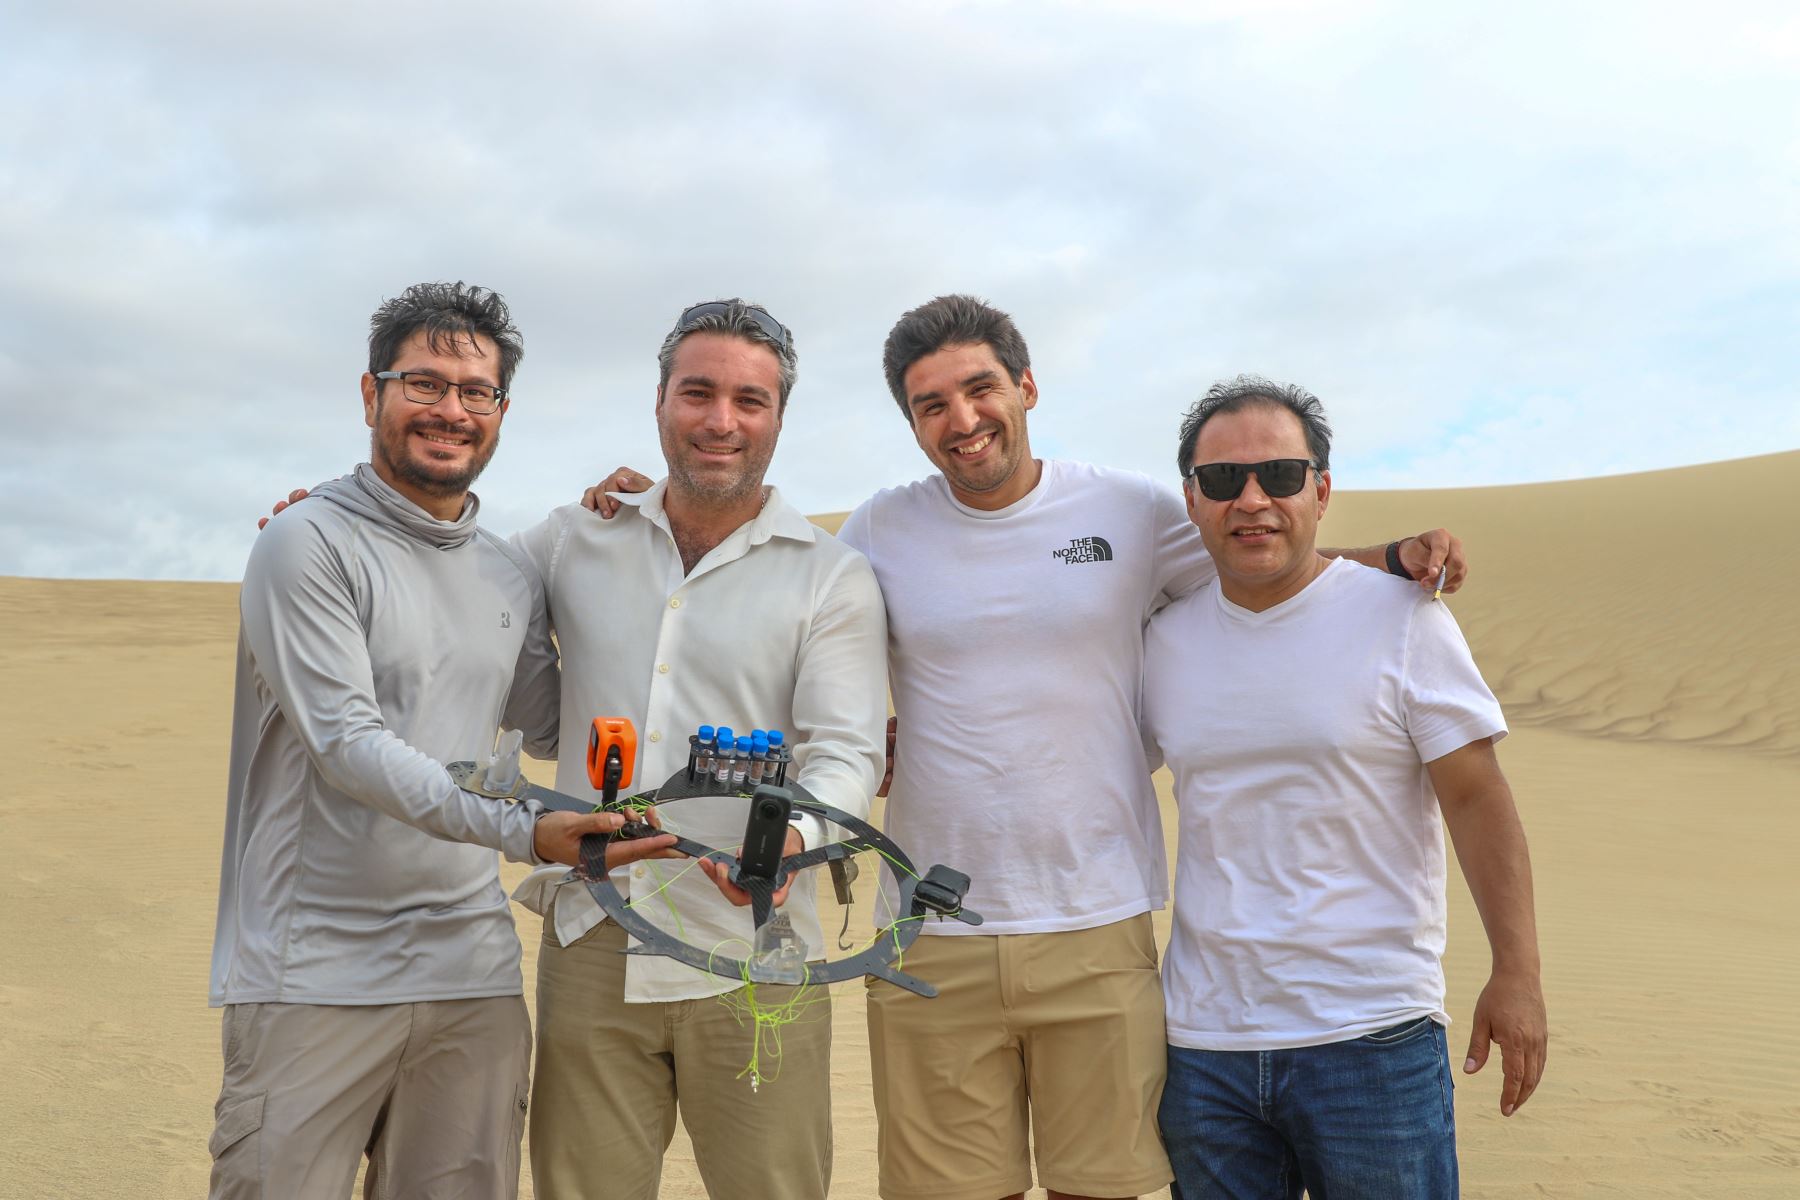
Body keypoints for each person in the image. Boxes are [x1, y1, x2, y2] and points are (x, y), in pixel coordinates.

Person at [587, 294, 1467, 1200]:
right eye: (932, 404)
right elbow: (768, 588)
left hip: (1098, 923)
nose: (962, 421)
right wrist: (659, 506)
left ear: (1027, 387)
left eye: (980, 389)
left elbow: (1265, 554)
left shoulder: (1130, 511)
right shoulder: (882, 529)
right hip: (928, 930)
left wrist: (1392, 554)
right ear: (912, 422)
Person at [209, 282, 672, 1199]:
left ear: (502, 411)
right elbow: (346, 741)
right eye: (422, 383)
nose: (450, 410)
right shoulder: (306, 544)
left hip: (473, 974)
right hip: (313, 974)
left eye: (475, 391)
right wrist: (520, 834)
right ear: (371, 393)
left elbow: (555, 726)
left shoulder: (508, 568)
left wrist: (629, 536)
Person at [511, 299, 888, 1200]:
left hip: (756, 949)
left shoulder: (830, 575)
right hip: (594, 932)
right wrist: (337, 521)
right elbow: (451, 578)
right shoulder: (572, 538)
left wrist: (789, 842)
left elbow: (845, 750)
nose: (722, 421)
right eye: (699, 393)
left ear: (779, 418)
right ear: (660, 402)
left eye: (750, 401)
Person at [1141, 376, 1546, 1198]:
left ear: (1321, 490)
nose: (1252, 499)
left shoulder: (1403, 618)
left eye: (1281, 476)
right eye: (1223, 481)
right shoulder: (1163, 642)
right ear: (1191, 500)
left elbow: (1476, 798)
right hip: (1204, 1047)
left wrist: (1518, 973)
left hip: (1371, 1036)